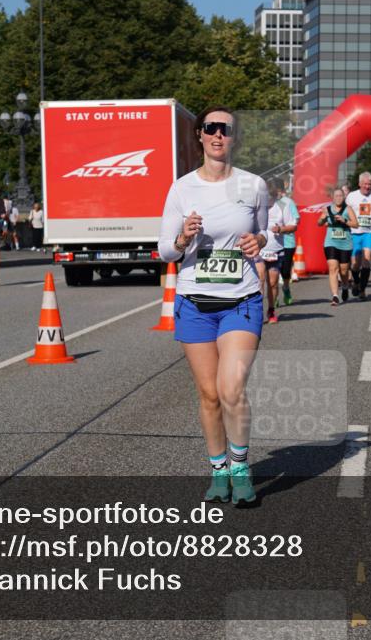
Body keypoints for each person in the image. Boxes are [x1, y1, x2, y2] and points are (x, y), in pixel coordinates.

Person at [157, 106, 268, 507]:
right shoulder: (181, 188)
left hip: (241, 300)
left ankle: (240, 468)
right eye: (211, 128)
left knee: (231, 389)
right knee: (208, 395)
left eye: (227, 129)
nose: (219, 135)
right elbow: (165, 250)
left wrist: (261, 242)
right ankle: (218, 470)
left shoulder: (253, 185)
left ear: (235, 138)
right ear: (200, 136)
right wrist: (184, 237)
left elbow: (266, 234)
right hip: (194, 304)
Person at [262, 178, 297, 323]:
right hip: (257, 251)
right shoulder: (258, 205)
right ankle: (256, 312)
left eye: (271, 196)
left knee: (273, 282)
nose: (269, 199)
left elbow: (293, 226)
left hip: (275, 251)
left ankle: (271, 309)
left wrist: (281, 229)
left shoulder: (283, 206)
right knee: (258, 282)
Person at [318, 186, 358, 306]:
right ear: (333, 198)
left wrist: (344, 221)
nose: (339, 198)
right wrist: (322, 219)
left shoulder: (348, 209)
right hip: (331, 242)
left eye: (341, 196)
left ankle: (345, 286)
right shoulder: (327, 209)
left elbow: (356, 224)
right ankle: (335, 296)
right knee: (333, 268)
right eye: (336, 196)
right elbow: (319, 223)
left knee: (344, 270)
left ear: (344, 197)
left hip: (345, 243)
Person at [347, 171, 371, 301]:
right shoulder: (351, 196)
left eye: (370, 184)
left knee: (366, 260)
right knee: (355, 264)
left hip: (370, 232)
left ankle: (362, 290)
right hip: (355, 233)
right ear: (359, 183)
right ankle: (356, 282)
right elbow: (346, 212)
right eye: (365, 184)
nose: (368, 186)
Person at [277, 184, 300, 306]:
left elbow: (297, 219)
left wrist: (284, 227)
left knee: (285, 270)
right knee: (273, 270)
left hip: (287, 241)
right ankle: (273, 295)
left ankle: (286, 288)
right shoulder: (268, 202)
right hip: (272, 243)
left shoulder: (288, 202)